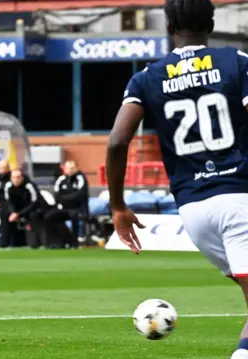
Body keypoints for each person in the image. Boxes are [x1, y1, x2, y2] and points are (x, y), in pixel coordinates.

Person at [106, 1, 248, 357]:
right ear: (212, 22)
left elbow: (117, 140)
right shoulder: (238, 62)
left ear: (168, 24)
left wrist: (118, 205)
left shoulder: (146, 78)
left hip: (193, 210)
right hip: (241, 198)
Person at [44, 160, 89, 248]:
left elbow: (80, 195)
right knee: (48, 216)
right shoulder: (61, 179)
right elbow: (57, 195)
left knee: (74, 215)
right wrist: (67, 198)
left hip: (77, 208)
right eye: (68, 168)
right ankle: (56, 241)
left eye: (72, 168)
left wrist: (65, 198)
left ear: (76, 168)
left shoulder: (80, 178)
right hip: (63, 208)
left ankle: (75, 242)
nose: (70, 170)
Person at [1, 169, 40, 248]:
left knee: (33, 215)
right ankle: (4, 243)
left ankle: (34, 242)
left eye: (18, 177)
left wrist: (19, 214)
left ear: (22, 177)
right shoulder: (8, 186)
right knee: (4, 213)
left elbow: (34, 203)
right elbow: (8, 202)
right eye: (14, 177)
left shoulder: (29, 185)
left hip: (28, 209)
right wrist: (13, 212)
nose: (16, 180)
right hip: (15, 210)